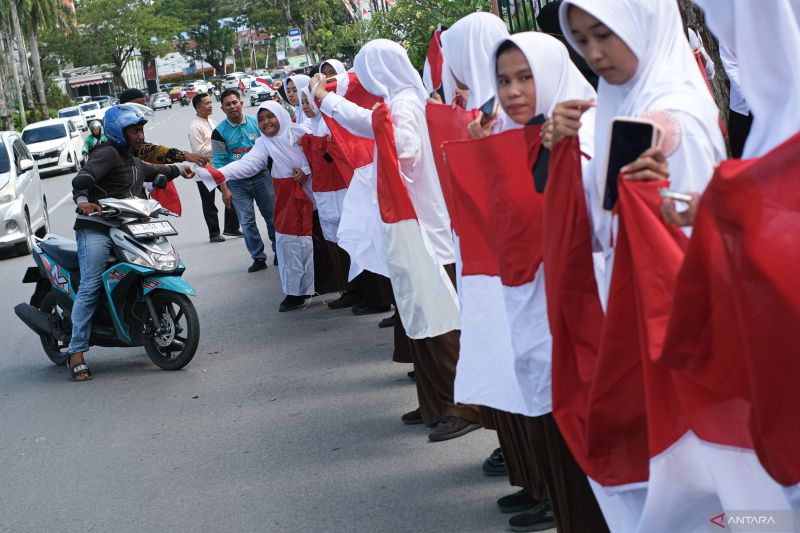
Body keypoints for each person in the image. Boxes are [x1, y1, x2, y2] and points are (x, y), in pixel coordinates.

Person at [551, 0, 726, 530]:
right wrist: (558, 153)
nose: (595, 53)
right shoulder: (614, 105)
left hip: (686, 325)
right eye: (581, 40)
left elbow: (693, 211)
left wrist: (654, 165)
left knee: (718, 487)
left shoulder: (672, 112)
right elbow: (603, 219)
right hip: (640, 318)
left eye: (605, 33)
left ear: (642, 23)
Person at [314, 40, 482, 442]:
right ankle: (435, 401)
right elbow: (374, 127)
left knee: (438, 321)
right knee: (419, 319)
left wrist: (330, 102)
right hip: (416, 225)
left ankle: (462, 406)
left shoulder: (405, 104)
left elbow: (401, 147)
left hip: (423, 229)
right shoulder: (402, 99)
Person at [66, 105, 194, 382]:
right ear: (118, 132)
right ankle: (76, 352)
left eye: (141, 130)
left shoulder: (130, 158)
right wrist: (84, 202)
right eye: (135, 130)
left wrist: (180, 168)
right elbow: (83, 179)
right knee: (90, 284)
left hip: (128, 227)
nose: (140, 135)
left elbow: (153, 170)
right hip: (97, 228)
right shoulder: (107, 152)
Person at [201, 101, 315, 312]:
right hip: (288, 200)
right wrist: (218, 174)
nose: (265, 123)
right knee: (288, 243)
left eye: (270, 117)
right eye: (261, 119)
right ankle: (297, 292)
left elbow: (321, 156)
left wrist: (307, 169)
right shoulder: (264, 143)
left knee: (323, 244)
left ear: (280, 115)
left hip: (316, 198)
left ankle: (337, 287)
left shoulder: (301, 132)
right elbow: (249, 163)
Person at [211, 89, 277, 272]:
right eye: (228, 104)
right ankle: (258, 257)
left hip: (262, 178)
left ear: (241, 103)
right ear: (222, 108)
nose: (232, 107)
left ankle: (279, 251)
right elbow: (219, 164)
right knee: (247, 222)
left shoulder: (257, 123)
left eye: (235, 102)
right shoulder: (218, 133)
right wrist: (225, 190)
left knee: (272, 217)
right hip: (236, 183)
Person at [188, 92, 239, 243]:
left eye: (211, 102)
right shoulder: (195, 126)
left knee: (230, 193)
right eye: (206, 103)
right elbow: (198, 151)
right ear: (198, 107)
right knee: (209, 203)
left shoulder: (213, 121)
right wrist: (217, 147)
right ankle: (214, 233)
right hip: (204, 170)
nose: (210, 106)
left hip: (217, 167)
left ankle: (231, 227)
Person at [118, 88, 209, 167]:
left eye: (143, 107)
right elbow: (148, 152)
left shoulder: (135, 124)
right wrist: (184, 156)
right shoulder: (118, 131)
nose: (141, 112)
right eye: (137, 108)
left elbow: (146, 150)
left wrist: (184, 157)